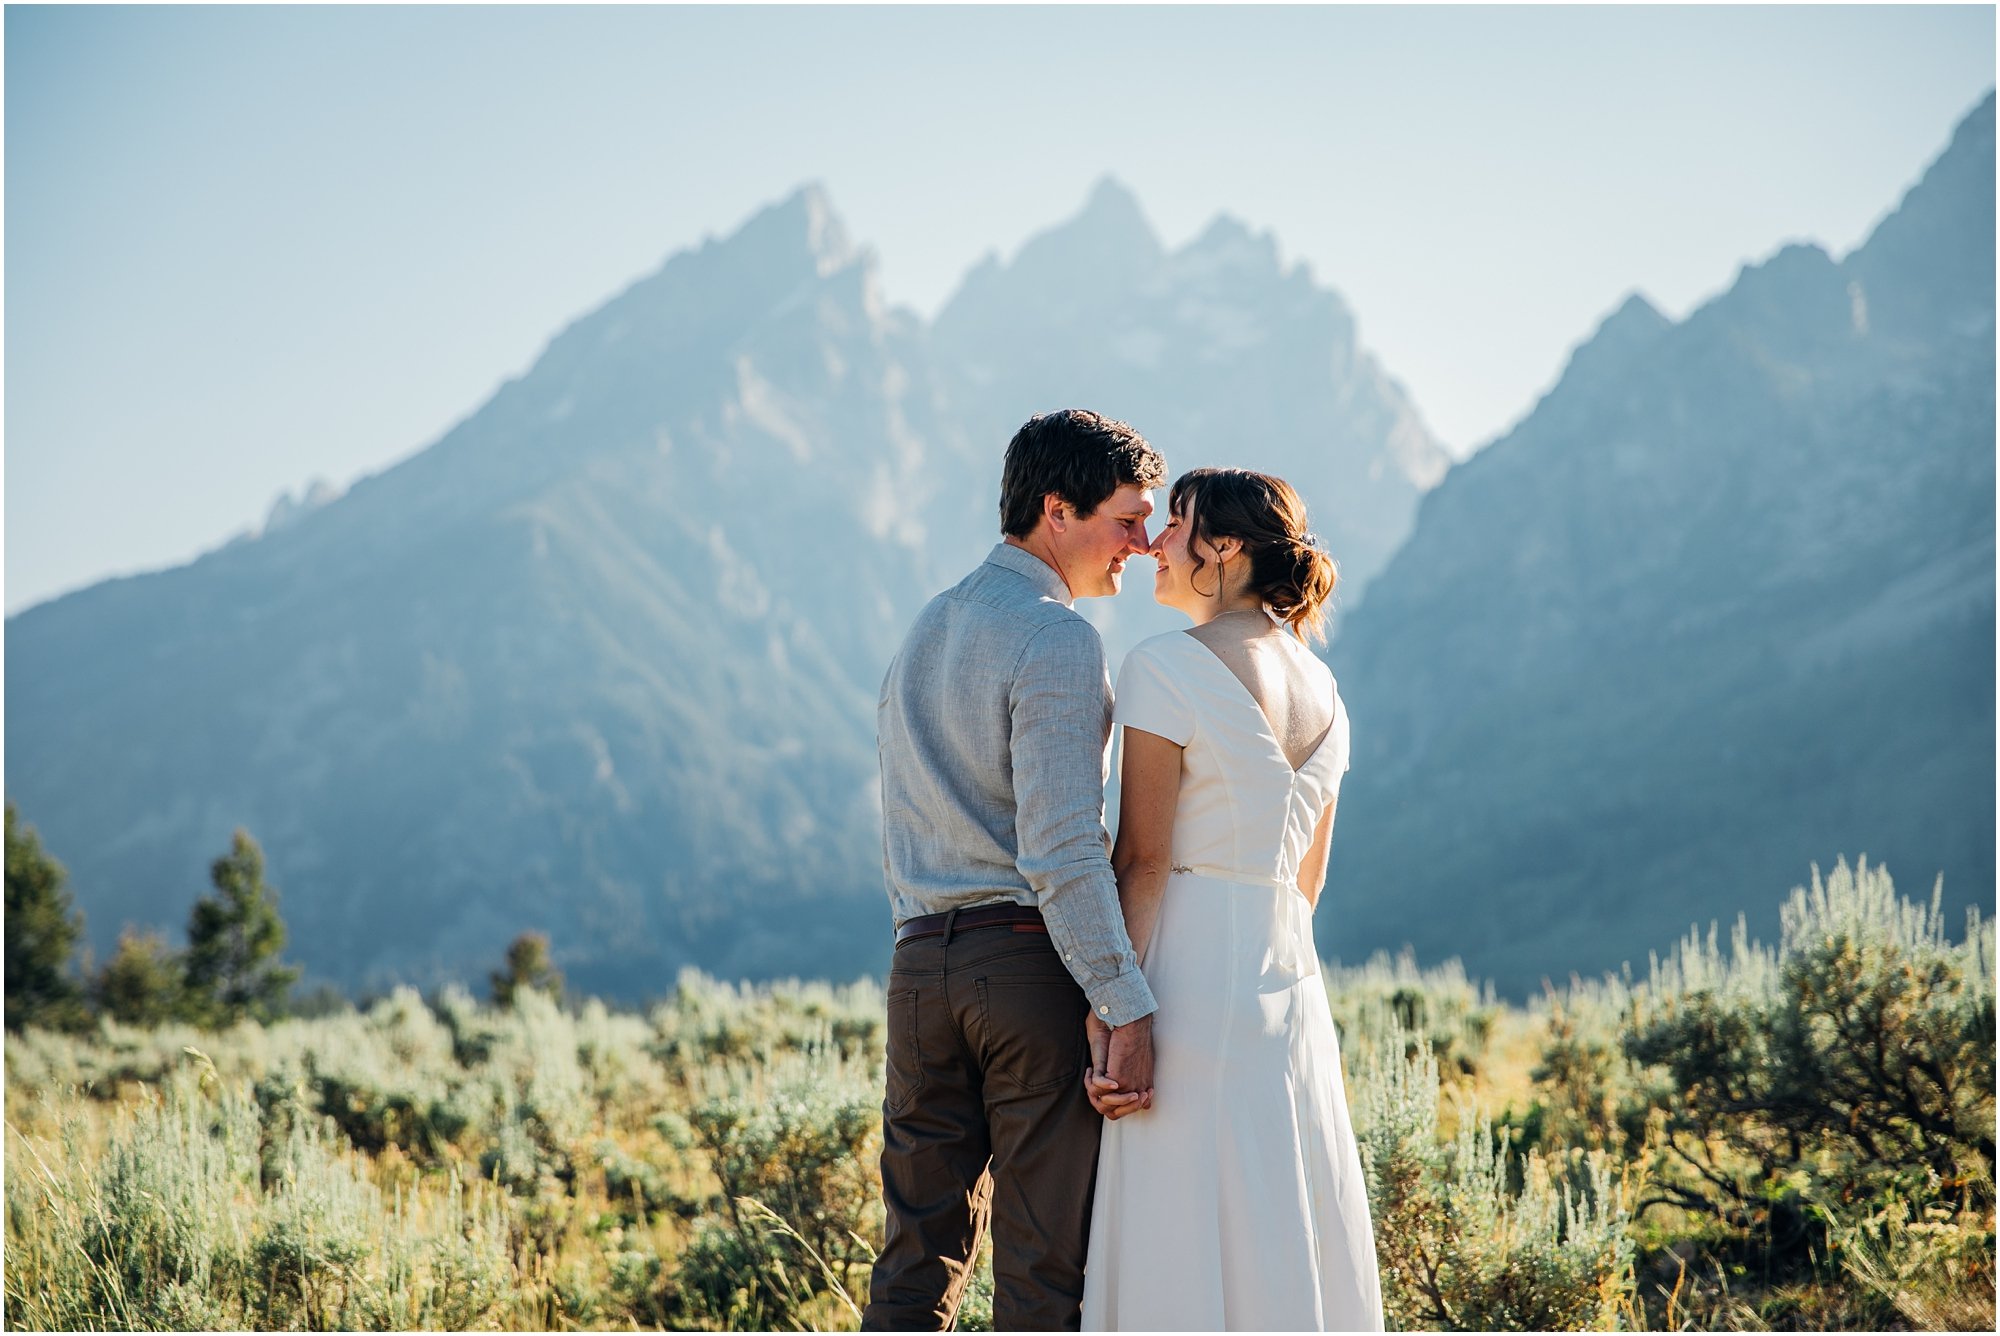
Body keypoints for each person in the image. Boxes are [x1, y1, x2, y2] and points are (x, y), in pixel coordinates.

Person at [864, 409, 1167, 1332]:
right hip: (1024, 970)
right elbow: (1064, 844)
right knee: (1043, 1271)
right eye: (1126, 519)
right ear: (1056, 511)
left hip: (918, 970)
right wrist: (1124, 999)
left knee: (917, 1260)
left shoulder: (925, 628)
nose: (1144, 546)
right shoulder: (1058, 639)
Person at [1079, 467, 1385, 1332]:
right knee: (1283, 1209)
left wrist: (1113, 1006)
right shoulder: (1328, 694)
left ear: (1226, 547)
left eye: (1175, 526)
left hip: (1188, 972)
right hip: (1288, 978)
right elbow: (1308, 882)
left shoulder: (1164, 667)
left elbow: (1139, 857)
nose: (1154, 548)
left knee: (1175, 1225)